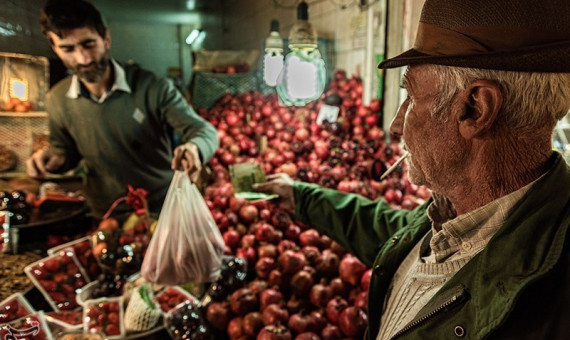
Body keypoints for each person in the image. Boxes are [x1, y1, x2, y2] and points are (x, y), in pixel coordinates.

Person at [254, 0, 570, 339]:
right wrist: (300, 196)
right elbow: (389, 232)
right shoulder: (453, 215)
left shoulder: (553, 306)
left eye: (411, 96)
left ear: (475, 108)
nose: (394, 125)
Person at [26, 0, 219, 218]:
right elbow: (66, 152)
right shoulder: (58, 100)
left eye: (89, 44)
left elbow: (205, 132)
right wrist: (54, 160)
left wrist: (195, 148)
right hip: (105, 213)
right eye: (68, 49)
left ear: (106, 39)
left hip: (161, 209)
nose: (83, 59)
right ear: (54, 48)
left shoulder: (152, 88)